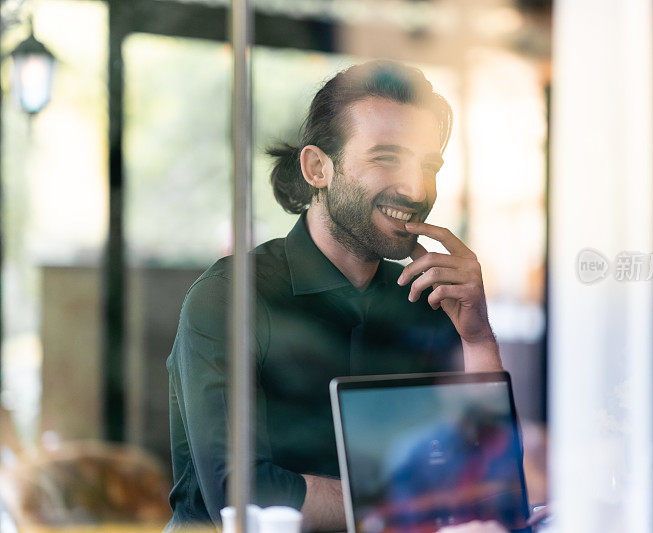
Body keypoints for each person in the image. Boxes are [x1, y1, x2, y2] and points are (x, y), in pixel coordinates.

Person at [165, 60, 503, 532]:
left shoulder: (426, 300)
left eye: (428, 165)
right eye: (386, 157)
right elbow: (238, 491)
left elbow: (487, 481)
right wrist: (411, 501)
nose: (415, 187)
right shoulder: (228, 299)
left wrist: (477, 336)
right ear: (317, 168)